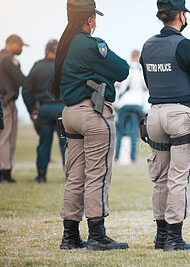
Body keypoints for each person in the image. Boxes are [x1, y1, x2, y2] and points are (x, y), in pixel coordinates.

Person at [49, 0, 130, 251]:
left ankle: (70, 236)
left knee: (75, 177)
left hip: (70, 113)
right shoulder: (90, 43)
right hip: (91, 113)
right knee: (97, 175)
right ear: (90, 19)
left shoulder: (65, 43)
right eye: (94, 16)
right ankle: (97, 234)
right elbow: (123, 69)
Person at [140, 0, 190, 252]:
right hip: (180, 112)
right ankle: (173, 237)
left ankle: (160, 236)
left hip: (154, 114)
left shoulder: (147, 45)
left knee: (159, 179)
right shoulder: (187, 45)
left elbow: (147, 78)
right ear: (181, 15)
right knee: (177, 179)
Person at [22, 39, 67, 183]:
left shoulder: (38, 66)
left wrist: (31, 108)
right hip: (62, 109)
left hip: (44, 109)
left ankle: (41, 176)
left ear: (46, 51)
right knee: (66, 144)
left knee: (44, 143)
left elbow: (26, 89)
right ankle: (71, 177)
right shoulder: (64, 65)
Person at [0, 34, 27, 184]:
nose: (21, 49)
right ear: (11, 43)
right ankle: (5, 172)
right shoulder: (9, 60)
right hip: (6, 102)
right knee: (7, 137)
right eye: (20, 45)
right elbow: (21, 79)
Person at [114, 50, 147, 164]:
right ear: (138, 57)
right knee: (133, 132)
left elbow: (118, 85)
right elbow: (146, 87)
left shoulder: (125, 68)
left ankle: (117, 157)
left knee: (120, 131)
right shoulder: (141, 70)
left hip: (123, 104)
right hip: (137, 104)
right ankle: (133, 158)